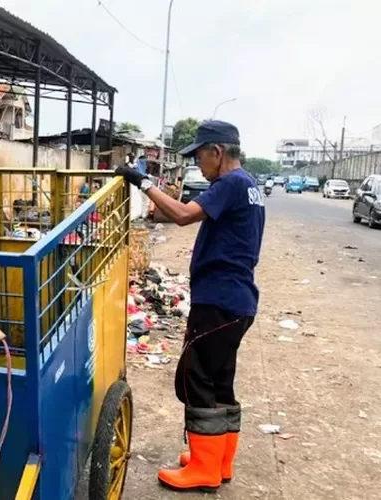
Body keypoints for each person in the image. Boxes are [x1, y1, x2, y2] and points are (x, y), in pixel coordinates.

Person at [116, 121, 265, 493]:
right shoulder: (248, 186)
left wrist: (143, 181)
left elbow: (182, 216)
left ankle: (204, 468)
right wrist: (154, 196)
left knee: (196, 378)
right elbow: (178, 212)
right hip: (237, 300)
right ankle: (218, 460)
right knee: (220, 380)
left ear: (217, 151)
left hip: (219, 300)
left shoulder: (230, 184)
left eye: (199, 155)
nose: (197, 162)